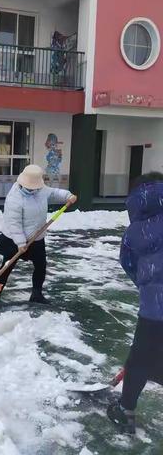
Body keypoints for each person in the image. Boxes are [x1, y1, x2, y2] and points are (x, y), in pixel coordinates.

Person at [107, 172, 163, 435]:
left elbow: (129, 264)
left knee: (140, 359)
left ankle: (125, 408)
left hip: (155, 309)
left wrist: (149, 287)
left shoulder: (134, 231)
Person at [0, 165, 77, 311]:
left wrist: (68, 196)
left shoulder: (40, 190)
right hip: (14, 239)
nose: (33, 190)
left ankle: (36, 294)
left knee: (41, 266)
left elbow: (53, 193)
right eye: (31, 188)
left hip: (36, 238)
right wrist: (21, 243)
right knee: (6, 267)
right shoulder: (14, 198)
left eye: (35, 187)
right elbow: (13, 223)